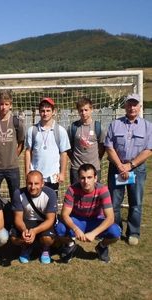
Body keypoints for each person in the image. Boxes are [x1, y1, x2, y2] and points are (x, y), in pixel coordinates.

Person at [104, 93, 152, 246]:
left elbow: (148, 150)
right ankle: (115, 230)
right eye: (129, 104)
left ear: (140, 106)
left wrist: (130, 165)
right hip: (117, 168)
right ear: (124, 106)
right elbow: (109, 146)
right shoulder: (115, 124)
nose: (132, 107)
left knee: (136, 202)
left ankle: (133, 233)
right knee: (114, 203)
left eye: (135, 104)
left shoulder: (147, 126)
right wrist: (120, 165)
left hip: (137, 170)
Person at [55, 164, 121, 263]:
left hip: (96, 220)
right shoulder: (72, 189)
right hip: (77, 220)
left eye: (89, 177)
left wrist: (94, 233)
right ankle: (70, 245)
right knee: (59, 229)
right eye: (83, 178)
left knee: (115, 232)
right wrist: (76, 229)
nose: (86, 181)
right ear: (78, 178)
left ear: (95, 178)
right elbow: (64, 214)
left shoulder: (103, 190)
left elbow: (110, 218)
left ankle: (102, 247)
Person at [25, 97, 70, 197]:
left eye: (48, 110)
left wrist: (62, 173)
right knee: (35, 205)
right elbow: (28, 151)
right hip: (35, 176)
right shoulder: (32, 130)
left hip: (52, 176)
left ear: (53, 112)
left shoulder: (60, 131)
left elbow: (64, 153)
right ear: (39, 112)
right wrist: (27, 172)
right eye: (43, 111)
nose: (45, 113)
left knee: (50, 207)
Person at [10, 170, 58, 264]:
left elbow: (50, 219)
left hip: (43, 222)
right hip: (26, 221)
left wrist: (35, 231)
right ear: (26, 182)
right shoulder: (18, 193)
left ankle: (45, 248)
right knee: (13, 239)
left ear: (42, 183)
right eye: (30, 183)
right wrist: (24, 230)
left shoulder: (51, 193)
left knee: (47, 239)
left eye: (36, 184)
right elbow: (18, 218)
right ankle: (25, 247)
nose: (33, 187)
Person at [68, 97, 105, 184]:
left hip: (94, 168)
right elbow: (68, 148)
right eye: (81, 110)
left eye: (86, 110)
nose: (83, 113)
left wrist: (97, 158)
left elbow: (102, 147)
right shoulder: (73, 127)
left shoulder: (98, 127)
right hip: (76, 169)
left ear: (92, 109)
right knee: (76, 195)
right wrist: (74, 159)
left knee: (94, 195)